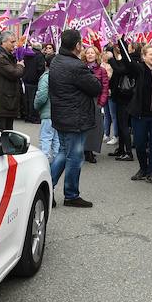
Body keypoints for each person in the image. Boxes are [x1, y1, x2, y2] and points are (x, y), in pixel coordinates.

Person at [48, 29, 102, 208]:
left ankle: (47, 187)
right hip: (75, 119)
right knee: (74, 157)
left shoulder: (56, 60)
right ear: (77, 45)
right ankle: (71, 194)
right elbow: (95, 87)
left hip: (63, 116)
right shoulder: (76, 65)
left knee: (64, 152)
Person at [120, 41, 152, 185]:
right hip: (140, 115)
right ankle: (143, 169)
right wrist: (121, 42)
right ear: (144, 57)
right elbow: (127, 61)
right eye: (151, 54)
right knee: (139, 144)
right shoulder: (139, 69)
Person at [0, 31, 24, 131]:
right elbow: (14, 73)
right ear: (4, 42)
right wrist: (20, 65)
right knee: (2, 133)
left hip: (7, 101)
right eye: (12, 42)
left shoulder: (7, 56)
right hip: (2, 102)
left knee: (8, 133)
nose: (15, 45)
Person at [82, 46, 109, 163]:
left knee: (95, 128)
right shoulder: (81, 68)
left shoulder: (101, 70)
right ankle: (83, 150)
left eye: (92, 53)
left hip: (95, 101)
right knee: (83, 127)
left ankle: (90, 151)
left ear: (96, 55)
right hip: (82, 102)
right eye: (88, 53)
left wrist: (101, 103)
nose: (90, 55)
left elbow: (105, 87)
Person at [107, 43, 134, 161]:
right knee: (120, 123)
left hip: (125, 97)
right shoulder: (123, 59)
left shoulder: (129, 60)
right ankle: (121, 149)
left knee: (124, 125)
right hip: (119, 96)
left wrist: (111, 59)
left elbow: (119, 70)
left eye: (119, 47)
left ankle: (128, 152)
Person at [34, 55, 60, 163]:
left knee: (45, 138)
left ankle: (44, 161)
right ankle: (58, 161)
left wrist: (36, 105)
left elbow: (42, 95)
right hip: (59, 112)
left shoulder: (46, 77)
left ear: (46, 64)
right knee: (56, 139)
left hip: (48, 112)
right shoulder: (61, 76)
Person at [22, 43, 46, 123]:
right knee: (33, 99)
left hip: (26, 79)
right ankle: (33, 117)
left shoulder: (26, 55)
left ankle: (27, 115)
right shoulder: (39, 56)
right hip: (35, 80)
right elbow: (41, 68)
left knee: (27, 99)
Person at [101, 50, 118, 146]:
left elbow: (111, 78)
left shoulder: (113, 66)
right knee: (106, 114)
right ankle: (106, 134)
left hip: (111, 92)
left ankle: (115, 135)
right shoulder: (102, 64)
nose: (105, 57)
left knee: (113, 115)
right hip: (104, 92)